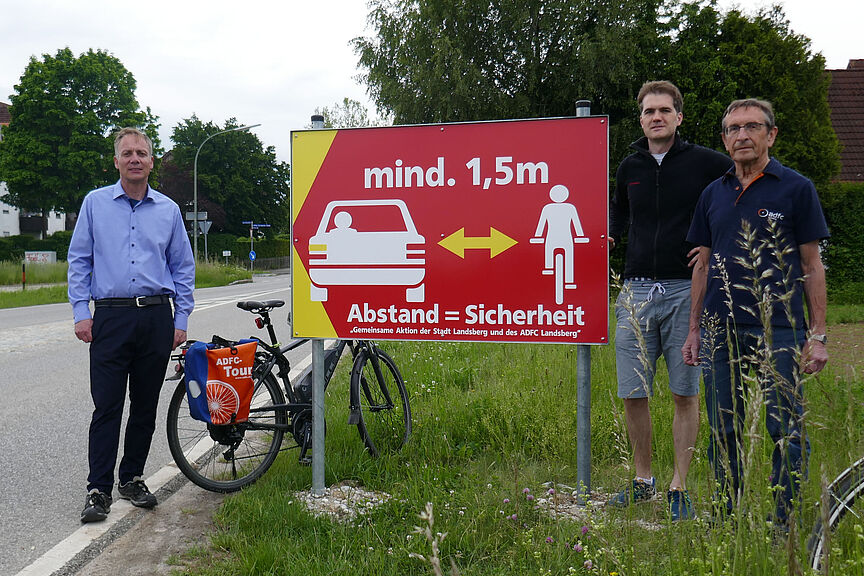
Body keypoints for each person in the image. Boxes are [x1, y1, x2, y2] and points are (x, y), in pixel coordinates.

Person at [682, 98, 829, 526]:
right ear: (724, 139)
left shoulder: (796, 188)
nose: (742, 135)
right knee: (723, 426)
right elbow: (703, 265)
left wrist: (817, 334)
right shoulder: (712, 193)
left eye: (751, 127)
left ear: (771, 134)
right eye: (733, 129)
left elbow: (811, 265)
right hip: (720, 328)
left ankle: (783, 520)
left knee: (784, 428)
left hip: (779, 328)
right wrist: (694, 330)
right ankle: (728, 514)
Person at [609, 81, 732, 520]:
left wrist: (715, 243)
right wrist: (610, 234)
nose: (656, 117)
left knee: (684, 393)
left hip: (686, 291)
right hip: (636, 291)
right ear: (640, 119)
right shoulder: (629, 166)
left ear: (679, 116)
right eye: (648, 111)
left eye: (664, 110)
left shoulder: (707, 163)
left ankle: (679, 485)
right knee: (633, 392)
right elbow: (619, 211)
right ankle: (643, 480)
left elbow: (739, 196)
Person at [68, 127, 195, 523]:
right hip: (110, 316)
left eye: (142, 152)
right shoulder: (95, 204)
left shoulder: (169, 210)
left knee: (144, 406)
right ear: (117, 161)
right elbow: (79, 261)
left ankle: (132, 478)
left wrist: (181, 318)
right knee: (107, 406)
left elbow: (183, 268)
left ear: (152, 161)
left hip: (156, 317)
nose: (135, 158)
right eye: (128, 153)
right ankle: (98, 489)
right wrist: (80, 311)